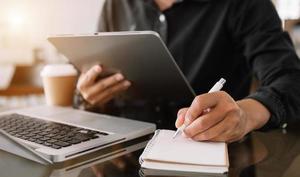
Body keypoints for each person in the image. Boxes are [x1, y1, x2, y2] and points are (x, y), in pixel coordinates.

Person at [76, 0, 300, 143]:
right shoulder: (115, 4)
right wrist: (89, 96)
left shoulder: (246, 5)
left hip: (213, 160)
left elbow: (291, 80)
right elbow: (97, 81)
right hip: (125, 160)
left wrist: (245, 116)